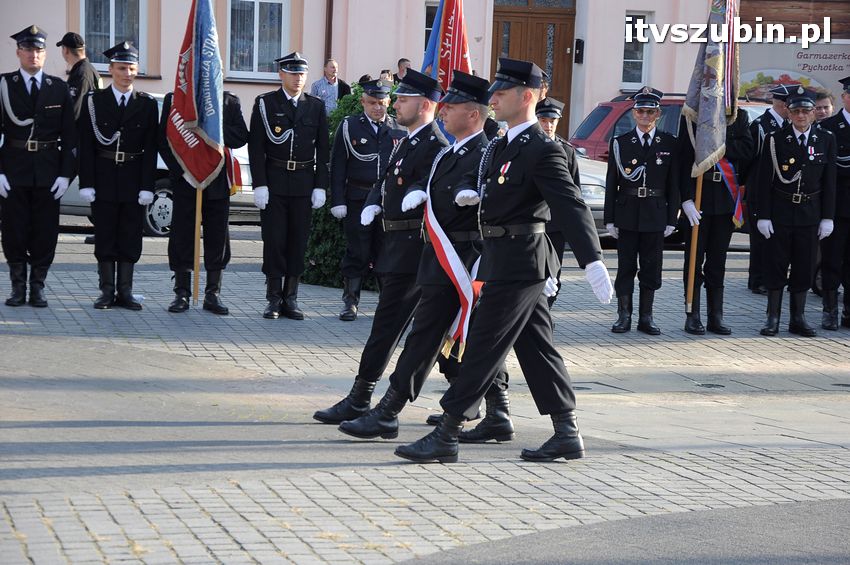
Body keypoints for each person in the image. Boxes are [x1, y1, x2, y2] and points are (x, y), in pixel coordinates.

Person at [394, 58, 613, 464]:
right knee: (537, 349)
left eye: (502, 92)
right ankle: (566, 432)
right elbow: (485, 189)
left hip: (520, 264)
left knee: (482, 346)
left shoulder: (542, 149)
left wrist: (592, 259)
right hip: (505, 259)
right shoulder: (501, 144)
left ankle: (447, 432)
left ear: (526, 97)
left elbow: (569, 205)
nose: (492, 97)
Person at [336, 70, 513, 444]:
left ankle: (491, 412)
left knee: (469, 338)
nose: (445, 113)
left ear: (473, 114)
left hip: (464, 259)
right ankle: (394, 409)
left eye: (452, 107)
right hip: (439, 255)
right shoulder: (450, 150)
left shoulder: (485, 151)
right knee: (439, 337)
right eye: (444, 105)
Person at [312, 69, 448, 425]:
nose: (395, 104)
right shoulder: (407, 140)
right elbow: (386, 177)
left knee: (421, 332)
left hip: (417, 253)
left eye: (403, 99)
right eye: (396, 98)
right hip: (396, 248)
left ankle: (371, 400)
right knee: (413, 332)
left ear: (425, 105)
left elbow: (436, 189)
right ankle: (361, 396)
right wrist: (374, 201)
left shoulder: (435, 144)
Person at [77, 41, 158, 311]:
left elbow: (150, 149)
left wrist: (148, 186)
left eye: (131, 68)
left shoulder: (146, 104)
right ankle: (106, 291)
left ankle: (126, 291)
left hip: (133, 179)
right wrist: (86, 182)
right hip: (103, 177)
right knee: (105, 235)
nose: (127, 73)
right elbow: (86, 145)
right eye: (121, 68)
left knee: (130, 235)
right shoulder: (94, 102)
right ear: (111, 70)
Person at [249, 52, 330, 320]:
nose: (298, 79)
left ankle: (291, 298)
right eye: (293, 73)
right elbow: (256, 147)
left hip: (304, 183)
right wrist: (259, 184)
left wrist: (321, 186)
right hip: (274, 181)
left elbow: (323, 150)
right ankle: (273, 298)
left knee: (298, 241)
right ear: (281, 75)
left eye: (302, 74)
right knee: (274, 241)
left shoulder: (315, 106)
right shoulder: (266, 104)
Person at [0, 25, 75, 308]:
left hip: (47, 170)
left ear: (45, 54)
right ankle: (18, 287)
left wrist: (66, 174)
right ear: (19, 52)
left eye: (39, 50)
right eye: (29, 49)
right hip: (14, 170)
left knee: (45, 232)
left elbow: (70, 136)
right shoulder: (4, 85)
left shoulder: (58, 88)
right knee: (14, 231)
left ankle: (38, 287)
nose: (34, 54)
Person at [756, 86, 837, 337]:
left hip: (810, 214)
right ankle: (773, 318)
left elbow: (830, 183)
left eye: (806, 111)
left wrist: (827, 217)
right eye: (796, 111)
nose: (801, 116)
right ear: (788, 114)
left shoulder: (826, 140)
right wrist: (763, 215)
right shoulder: (775, 140)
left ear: (814, 113)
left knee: (804, 266)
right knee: (776, 265)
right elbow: (763, 181)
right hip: (781, 212)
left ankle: (798, 319)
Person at [159, 90, 249, 315]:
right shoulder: (175, 100)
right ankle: (181, 292)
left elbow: (240, 136)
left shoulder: (228, 101)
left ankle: (213, 292)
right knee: (182, 235)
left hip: (216, 178)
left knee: (217, 236)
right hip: (186, 179)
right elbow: (163, 138)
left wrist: (212, 128)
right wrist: (181, 171)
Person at [604, 87, 680, 334]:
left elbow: (674, 184)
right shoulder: (620, 143)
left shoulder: (669, 143)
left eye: (650, 111)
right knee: (626, 267)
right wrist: (609, 219)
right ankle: (623, 315)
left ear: (657, 113)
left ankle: (646, 317)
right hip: (627, 213)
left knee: (651, 267)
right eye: (640, 111)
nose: (645, 116)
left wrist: (672, 218)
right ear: (633, 114)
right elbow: (612, 183)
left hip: (655, 213)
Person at [329, 79, 405, 321]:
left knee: (386, 252)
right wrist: (337, 200)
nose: (378, 108)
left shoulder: (398, 129)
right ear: (363, 102)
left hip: (387, 202)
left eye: (382, 103)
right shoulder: (350, 126)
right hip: (357, 199)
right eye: (372, 103)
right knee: (357, 251)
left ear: (389, 102)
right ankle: (350, 302)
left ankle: (386, 304)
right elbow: (338, 166)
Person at [680, 105, 754, 335]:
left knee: (717, 262)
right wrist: (685, 199)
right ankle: (692, 314)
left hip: (723, 200)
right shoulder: (693, 115)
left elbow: (747, 150)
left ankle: (716, 316)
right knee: (694, 260)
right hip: (697, 201)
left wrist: (716, 145)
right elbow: (681, 158)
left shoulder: (738, 116)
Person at [536, 96, 582, 308]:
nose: (548, 125)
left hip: (554, 224)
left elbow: (574, 191)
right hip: (532, 221)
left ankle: (546, 311)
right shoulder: (529, 146)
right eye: (544, 120)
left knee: (553, 274)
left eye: (552, 121)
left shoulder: (566, 150)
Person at [747, 84, 792, 295]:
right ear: (782, 104)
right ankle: (757, 280)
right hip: (760, 189)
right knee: (760, 238)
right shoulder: (761, 126)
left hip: (781, 190)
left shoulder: (788, 125)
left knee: (776, 237)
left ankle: (773, 276)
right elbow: (751, 160)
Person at [816, 77, 850, 329]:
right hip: (836, 207)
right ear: (845, 97)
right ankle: (829, 310)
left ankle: (848, 310)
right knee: (832, 260)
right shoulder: (828, 128)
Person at [56, 31, 101, 120]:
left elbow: (73, 111)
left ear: (66, 50)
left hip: (80, 131)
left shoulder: (80, 74)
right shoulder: (89, 69)